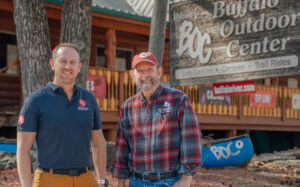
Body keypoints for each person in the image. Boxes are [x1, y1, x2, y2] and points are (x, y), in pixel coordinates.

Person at [17, 43, 108, 187]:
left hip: (85, 178)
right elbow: (23, 150)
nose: (68, 66)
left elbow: (98, 143)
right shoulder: (35, 101)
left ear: (79, 67)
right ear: (52, 64)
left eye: (72, 62)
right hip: (49, 179)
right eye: (63, 61)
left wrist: (102, 180)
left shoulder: (89, 99)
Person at [112, 52, 202, 187]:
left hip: (170, 181)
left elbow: (191, 138)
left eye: (150, 69)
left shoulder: (178, 99)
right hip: (136, 182)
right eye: (140, 71)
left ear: (159, 72)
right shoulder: (127, 107)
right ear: (133, 75)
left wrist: (186, 178)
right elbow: (122, 146)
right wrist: (120, 181)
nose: (145, 75)